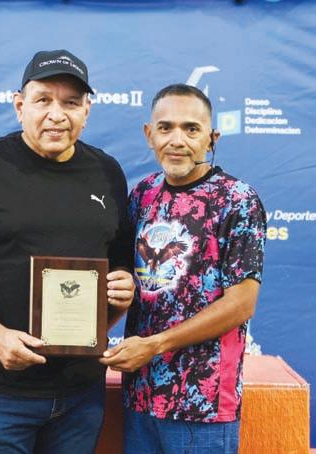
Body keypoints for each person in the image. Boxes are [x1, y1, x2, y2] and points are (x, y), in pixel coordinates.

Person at [0, 49, 135, 454]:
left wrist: (124, 286)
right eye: (43, 100)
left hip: (81, 394)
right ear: (19, 106)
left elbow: (120, 262)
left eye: (70, 103)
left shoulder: (107, 172)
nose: (56, 114)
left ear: (87, 110)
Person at [100, 83, 267, 453]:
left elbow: (241, 304)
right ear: (149, 135)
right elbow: (128, 282)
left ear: (211, 138)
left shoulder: (237, 200)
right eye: (166, 128)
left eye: (191, 129)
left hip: (202, 404)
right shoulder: (142, 194)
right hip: (141, 396)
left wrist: (155, 345)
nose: (177, 140)